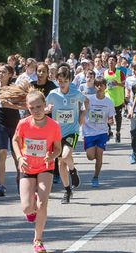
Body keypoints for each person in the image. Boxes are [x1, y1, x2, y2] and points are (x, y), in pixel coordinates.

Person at [12, 89, 61, 253]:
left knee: (42, 204)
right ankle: (31, 203)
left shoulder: (54, 126)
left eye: (39, 107)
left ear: (45, 106)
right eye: (32, 108)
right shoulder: (23, 123)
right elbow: (15, 141)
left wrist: (52, 155)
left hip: (46, 167)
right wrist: (19, 157)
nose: (36, 111)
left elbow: (58, 149)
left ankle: (38, 240)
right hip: (27, 166)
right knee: (27, 208)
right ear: (27, 108)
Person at [46, 66, 88, 203]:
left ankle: (73, 171)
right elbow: (44, 107)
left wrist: (83, 114)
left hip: (72, 130)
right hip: (57, 132)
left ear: (70, 80)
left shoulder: (75, 93)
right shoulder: (53, 94)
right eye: (60, 81)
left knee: (65, 156)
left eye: (65, 80)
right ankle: (67, 191)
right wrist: (47, 109)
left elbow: (86, 101)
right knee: (60, 164)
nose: (62, 83)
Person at [0, 64, 24, 197]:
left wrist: (10, 104)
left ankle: (20, 178)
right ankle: (1, 185)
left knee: (16, 155)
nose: (1, 74)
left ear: (10, 74)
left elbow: (22, 104)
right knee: (2, 153)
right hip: (1, 125)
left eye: (4, 72)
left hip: (15, 125)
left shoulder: (14, 88)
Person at [83, 77, 115, 187]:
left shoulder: (109, 102)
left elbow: (111, 119)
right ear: (94, 87)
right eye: (97, 85)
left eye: (102, 85)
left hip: (102, 132)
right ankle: (96, 157)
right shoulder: (89, 99)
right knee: (90, 156)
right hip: (89, 132)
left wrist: (110, 121)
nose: (99, 87)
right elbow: (82, 111)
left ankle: (95, 177)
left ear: (105, 87)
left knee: (99, 155)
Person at [104, 55, 125, 143]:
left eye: (113, 60)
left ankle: (118, 132)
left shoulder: (120, 72)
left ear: (116, 62)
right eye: (109, 60)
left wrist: (118, 84)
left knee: (118, 118)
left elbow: (124, 84)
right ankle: (109, 131)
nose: (111, 61)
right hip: (108, 98)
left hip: (118, 99)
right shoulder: (105, 72)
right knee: (106, 117)